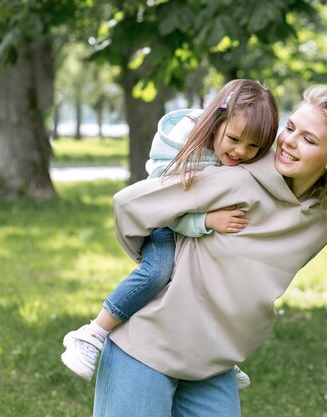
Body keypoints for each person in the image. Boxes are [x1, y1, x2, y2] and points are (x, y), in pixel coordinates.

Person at [92, 84, 327, 417]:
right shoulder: (234, 179)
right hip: (146, 346)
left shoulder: (316, 228)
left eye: (309, 139)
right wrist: (156, 265)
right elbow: (130, 205)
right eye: (291, 128)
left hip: (213, 363)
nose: (289, 142)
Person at [61, 79, 279, 389]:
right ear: (217, 121)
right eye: (234, 139)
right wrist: (205, 221)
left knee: (212, 281)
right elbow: (164, 206)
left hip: (200, 224)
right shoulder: (181, 144)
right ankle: (93, 333)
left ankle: (219, 356)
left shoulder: (234, 154)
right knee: (158, 272)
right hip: (164, 224)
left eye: (253, 146)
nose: (242, 151)